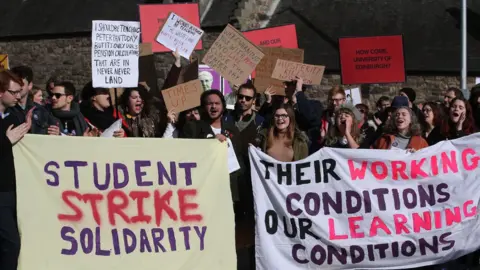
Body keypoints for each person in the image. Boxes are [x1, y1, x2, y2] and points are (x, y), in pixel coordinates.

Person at [0, 70, 33, 270]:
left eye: (20, 92)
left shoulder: (14, 114)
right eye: (14, 92)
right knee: (11, 244)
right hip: (1, 193)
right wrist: (6, 141)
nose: (19, 97)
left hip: (14, 190)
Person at [8, 66, 59, 135]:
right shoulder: (5, 109)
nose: (17, 87)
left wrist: (57, 133)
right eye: (14, 83)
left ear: (30, 85)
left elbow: (54, 130)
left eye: (20, 83)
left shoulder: (40, 110)